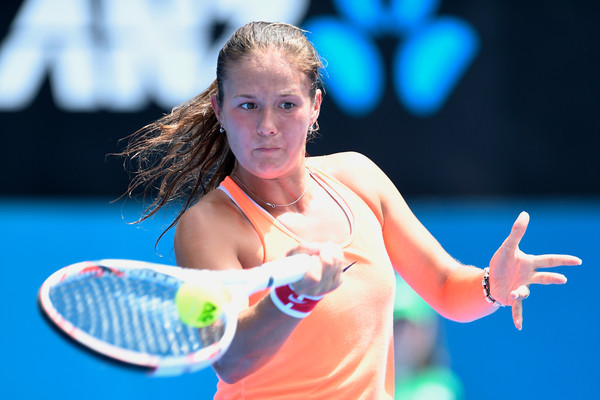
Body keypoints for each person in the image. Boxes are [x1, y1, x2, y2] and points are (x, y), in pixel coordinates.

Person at [119, 21, 581, 399]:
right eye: (247, 106)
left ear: (315, 107)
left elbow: (443, 285)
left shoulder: (358, 176)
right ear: (219, 110)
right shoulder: (207, 226)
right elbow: (233, 359)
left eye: (286, 105)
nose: (266, 126)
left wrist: (490, 286)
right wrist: (294, 297)